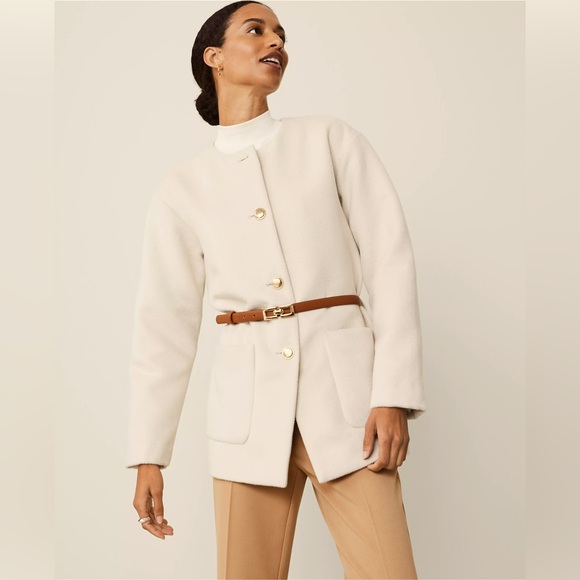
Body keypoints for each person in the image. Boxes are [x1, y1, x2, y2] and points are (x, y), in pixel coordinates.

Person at [126, 2, 427, 578]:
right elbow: (163, 327)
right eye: (256, 29)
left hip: (349, 407)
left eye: (281, 34)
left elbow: (390, 263)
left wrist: (393, 393)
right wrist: (148, 455)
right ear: (214, 57)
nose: (276, 42)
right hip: (245, 419)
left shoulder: (330, 140)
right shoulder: (182, 188)